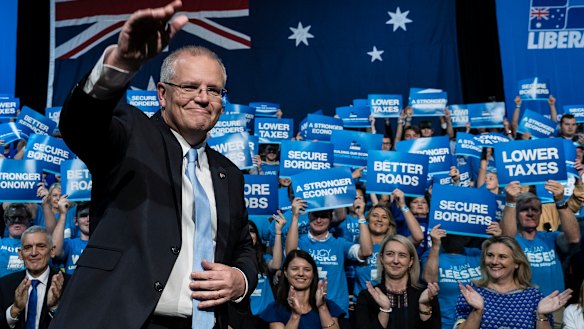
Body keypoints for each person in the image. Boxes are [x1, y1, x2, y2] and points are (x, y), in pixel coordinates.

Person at [49, 1, 257, 328]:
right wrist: (119, 64)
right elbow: (81, 123)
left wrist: (240, 280)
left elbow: (242, 245)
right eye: (190, 87)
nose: (203, 98)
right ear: (162, 94)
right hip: (124, 320)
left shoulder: (229, 173)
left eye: (214, 90)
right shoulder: (131, 134)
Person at [502, 184, 580, 328]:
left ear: (540, 213)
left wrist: (560, 202)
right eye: (525, 210)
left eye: (535, 210)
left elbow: (574, 238)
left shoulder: (551, 238)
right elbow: (506, 240)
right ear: (516, 214)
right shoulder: (514, 241)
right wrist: (511, 202)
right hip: (521, 309)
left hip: (554, 308)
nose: (530, 213)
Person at [454, 236, 572, 329]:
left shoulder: (534, 296)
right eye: (490, 255)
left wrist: (541, 315)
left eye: (502, 257)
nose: (494, 261)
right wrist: (477, 311)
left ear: (516, 263)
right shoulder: (472, 292)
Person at [354, 234, 441, 329]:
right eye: (390, 254)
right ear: (382, 259)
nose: (395, 260)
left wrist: (423, 306)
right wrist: (384, 310)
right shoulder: (366, 296)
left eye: (402, 255)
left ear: (410, 262)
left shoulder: (426, 295)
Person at [0, 226, 67, 329]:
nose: (34, 253)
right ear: (20, 254)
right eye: (27, 248)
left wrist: (54, 308)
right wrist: (15, 309)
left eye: (41, 246)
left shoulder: (69, 284)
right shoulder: (4, 285)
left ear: (52, 251)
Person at [258, 249, 344, 329]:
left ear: (313, 274)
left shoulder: (329, 306)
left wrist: (322, 308)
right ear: (285, 272)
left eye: (307, 270)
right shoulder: (275, 309)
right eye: (295, 269)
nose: (301, 273)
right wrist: (295, 315)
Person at [0, 204, 33, 277]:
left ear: (29, 221)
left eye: (21, 218)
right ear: (6, 222)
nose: (17, 221)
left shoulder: (36, 245)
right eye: (12, 218)